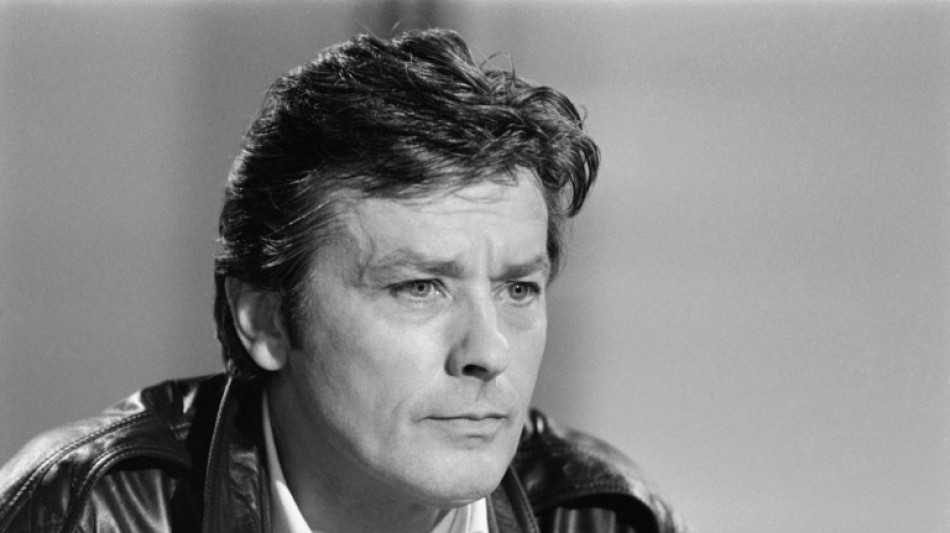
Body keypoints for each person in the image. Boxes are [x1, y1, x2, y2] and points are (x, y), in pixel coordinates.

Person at [0, 29, 687, 533]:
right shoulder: (86, 512)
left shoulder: (603, 517)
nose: (489, 351)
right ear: (265, 318)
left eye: (518, 289)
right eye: (420, 287)